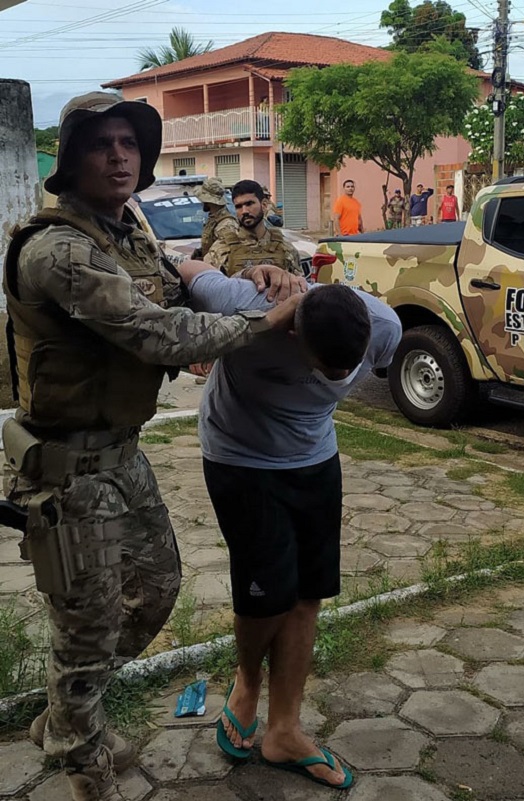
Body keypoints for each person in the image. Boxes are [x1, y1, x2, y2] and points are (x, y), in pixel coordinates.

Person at [1, 91, 304, 801]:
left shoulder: (125, 230)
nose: (118, 154)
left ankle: (66, 714)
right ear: (71, 159)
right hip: (68, 467)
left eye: (129, 144)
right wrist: (266, 320)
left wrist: (245, 280)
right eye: (102, 143)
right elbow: (157, 333)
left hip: (123, 456)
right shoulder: (58, 250)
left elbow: (178, 290)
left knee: (155, 591)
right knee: (89, 621)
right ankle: (83, 757)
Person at [175, 260, 402, 790]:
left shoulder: (383, 325)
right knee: (265, 596)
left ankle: (284, 731)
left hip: (314, 459)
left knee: (306, 594)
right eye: (328, 368)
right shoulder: (240, 302)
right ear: (292, 329)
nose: (341, 379)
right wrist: (252, 268)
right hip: (240, 458)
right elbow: (187, 269)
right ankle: (247, 685)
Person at [205, 179, 302, 277]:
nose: (244, 211)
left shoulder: (285, 248)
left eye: (249, 204)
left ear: (263, 205)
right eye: (238, 206)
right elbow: (209, 287)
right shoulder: (221, 249)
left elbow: (300, 287)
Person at [192, 176, 238, 259]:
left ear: (207, 201)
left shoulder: (226, 224)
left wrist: (204, 260)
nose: (201, 202)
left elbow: (229, 254)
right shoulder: (213, 219)